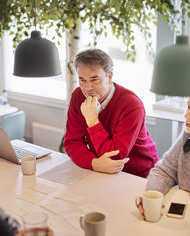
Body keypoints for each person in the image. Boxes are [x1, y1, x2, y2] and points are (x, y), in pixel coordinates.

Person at [63, 48, 159, 178]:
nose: (87, 88)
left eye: (94, 79)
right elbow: (71, 142)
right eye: (82, 80)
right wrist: (94, 163)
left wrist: (92, 121)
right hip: (102, 170)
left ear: (109, 76)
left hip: (140, 174)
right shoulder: (78, 97)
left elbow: (115, 157)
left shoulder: (131, 105)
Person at [137, 98, 190, 218]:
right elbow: (165, 170)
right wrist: (153, 194)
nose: (185, 115)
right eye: (188, 107)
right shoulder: (187, 135)